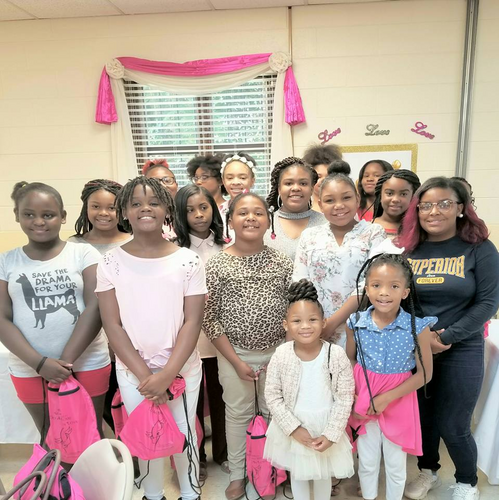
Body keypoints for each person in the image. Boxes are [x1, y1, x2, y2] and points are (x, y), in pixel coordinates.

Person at [96, 177, 206, 500]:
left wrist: (167, 375)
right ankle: (153, 494)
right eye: (136, 203)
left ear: (167, 209)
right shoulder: (111, 262)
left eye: (154, 202)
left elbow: (192, 321)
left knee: (184, 434)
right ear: (124, 212)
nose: (146, 209)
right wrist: (147, 377)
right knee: (147, 437)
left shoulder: (188, 260)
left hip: (181, 371)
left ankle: (190, 493)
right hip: (135, 374)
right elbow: (112, 324)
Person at [398, 177, 499, 500]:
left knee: (454, 423)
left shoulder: (480, 249)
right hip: (417, 346)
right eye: (425, 205)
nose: (434, 212)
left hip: (462, 346)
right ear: (416, 211)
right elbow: (400, 299)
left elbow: (488, 302)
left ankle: (467, 481)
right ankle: (428, 471)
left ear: (460, 209)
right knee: (424, 417)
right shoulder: (409, 251)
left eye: (444, 204)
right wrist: (421, 336)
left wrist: (449, 335)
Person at [0, 182, 110, 454]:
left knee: (90, 434)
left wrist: (64, 364)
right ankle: (60, 482)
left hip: (87, 362)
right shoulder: (6, 261)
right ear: (17, 216)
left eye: (48, 215)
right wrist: (41, 364)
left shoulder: (83, 253)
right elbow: (2, 318)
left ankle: (92, 482)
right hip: (29, 367)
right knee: (51, 436)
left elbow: (96, 306)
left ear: (62, 216)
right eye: (29, 214)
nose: (39, 221)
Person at [203, 192, 293, 500]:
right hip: (234, 354)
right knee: (238, 414)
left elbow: (293, 311)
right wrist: (236, 361)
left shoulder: (282, 262)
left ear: (268, 221)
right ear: (230, 221)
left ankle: (270, 472)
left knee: (274, 412)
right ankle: (238, 474)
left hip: (278, 352)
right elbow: (208, 317)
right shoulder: (217, 265)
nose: (251, 218)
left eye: (258, 212)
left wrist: (283, 354)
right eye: (243, 213)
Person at [346, 254, 434, 500]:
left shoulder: (417, 327)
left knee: (396, 464)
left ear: (405, 292)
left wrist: (386, 398)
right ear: (367, 288)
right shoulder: (355, 323)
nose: (384, 292)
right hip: (365, 398)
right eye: (376, 285)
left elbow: (425, 374)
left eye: (394, 286)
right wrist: (355, 395)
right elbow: (349, 360)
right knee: (367, 461)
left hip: (400, 400)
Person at [264, 279, 355, 500]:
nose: (305, 326)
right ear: (286, 324)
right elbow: (273, 395)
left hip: (326, 425)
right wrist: (293, 429)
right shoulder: (282, 354)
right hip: (294, 425)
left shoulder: (335, 354)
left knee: (323, 475)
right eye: (297, 321)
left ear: (323, 322)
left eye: (312, 320)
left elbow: (345, 397)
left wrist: (331, 433)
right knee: (299, 474)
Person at [293, 165, 386, 347]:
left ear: (357, 199)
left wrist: (333, 323)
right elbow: (300, 283)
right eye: (329, 200)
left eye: (346, 197)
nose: (339, 206)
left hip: (361, 328)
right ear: (320, 205)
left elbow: (371, 284)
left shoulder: (374, 233)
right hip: (315, 330)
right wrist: (315, 324)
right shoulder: (309, 236)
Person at [173, 185, 228, 479]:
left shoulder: (226, 246)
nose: (198, 215)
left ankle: (223, 453)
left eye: (204, 208)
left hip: (221, 336)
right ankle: (197, 456)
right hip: (188, 336)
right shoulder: (173, 250)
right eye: (190, 210)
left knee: (222, 397)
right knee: (190, 400)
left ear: (213, 210)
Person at [69, 178, 132, 434]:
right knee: (96, 412)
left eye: (111, 207)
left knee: (127, 408)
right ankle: (104, 453)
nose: (103, 213)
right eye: (96, 206)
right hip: (89, 345)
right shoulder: (72, 246)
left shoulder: (134, 241)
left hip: (128, 341)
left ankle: (130, 453)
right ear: (86, 207)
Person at [265, 157, 325, 260]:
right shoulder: (264, 224)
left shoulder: (327, 224)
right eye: (288, 183)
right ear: (279, 189)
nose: (296, 188)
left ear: (311, 189)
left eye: (303, 183)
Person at [372, 170, 421, 238]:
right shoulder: (366, 229)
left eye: (403, 194)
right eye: (389, 193)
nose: (395, 199)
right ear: (380, 196)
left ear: (413, 197)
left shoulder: (419, 230)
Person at [302, 143, 342, 212]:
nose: (323, 180)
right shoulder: (301, 209)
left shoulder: (344, 208)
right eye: (318, 177)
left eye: (328, 176)